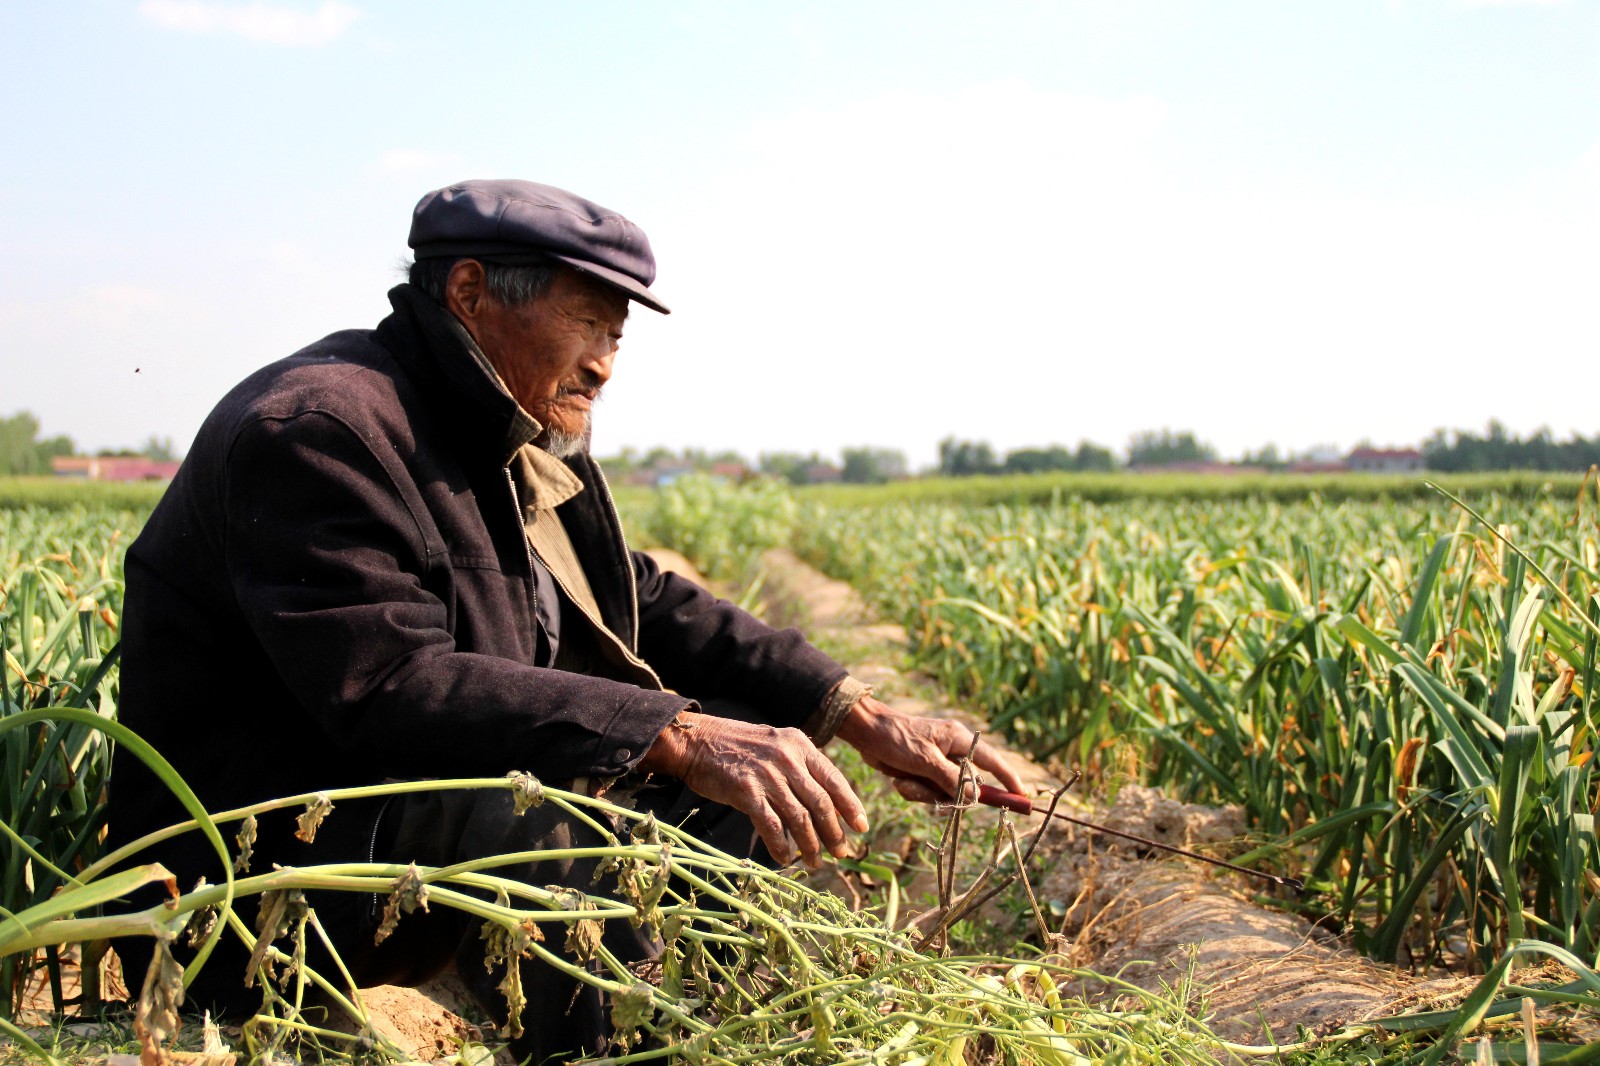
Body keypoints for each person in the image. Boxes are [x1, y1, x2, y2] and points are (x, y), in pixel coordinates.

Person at [111, 179, 1024, 1061]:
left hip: (397, 847)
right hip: (258, 894)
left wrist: (851, 712)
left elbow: (636, 598)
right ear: (470, 293)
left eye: (616, 335)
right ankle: (608, 1053)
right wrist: (672, 734)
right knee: (546, 814)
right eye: (586, 324)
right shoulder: (320, 431)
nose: (604, 364)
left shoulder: (517, 430)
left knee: (737, 762)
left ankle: (706, 1022)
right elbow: (390, 684)